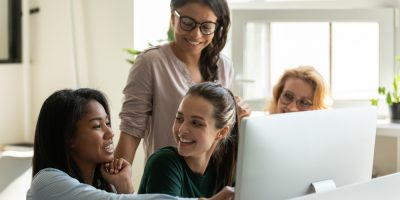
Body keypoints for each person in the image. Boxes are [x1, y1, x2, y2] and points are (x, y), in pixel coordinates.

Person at [27, 88, 234, 200]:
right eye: (97, 126)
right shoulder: (47, 183)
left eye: (108, 123)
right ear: (69, 138)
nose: (110, 132)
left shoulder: (106, 187)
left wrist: (124, 187)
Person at [115, 0, 251, 164]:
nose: (196, 34)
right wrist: (116, 186)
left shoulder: (224, 66)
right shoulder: (151, 63)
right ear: (173, 18)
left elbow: (221, 133)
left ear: (217, 26)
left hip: (212, 180)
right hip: (166, 177)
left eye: (206, 26)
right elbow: (131, 129)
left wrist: (238, 116)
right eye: (187, 22)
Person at [136, 82, 238, 198]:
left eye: (196, 123)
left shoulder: (226, 169)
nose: (182, 129)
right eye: (179, 118)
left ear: (221, 132)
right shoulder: (164, 163)